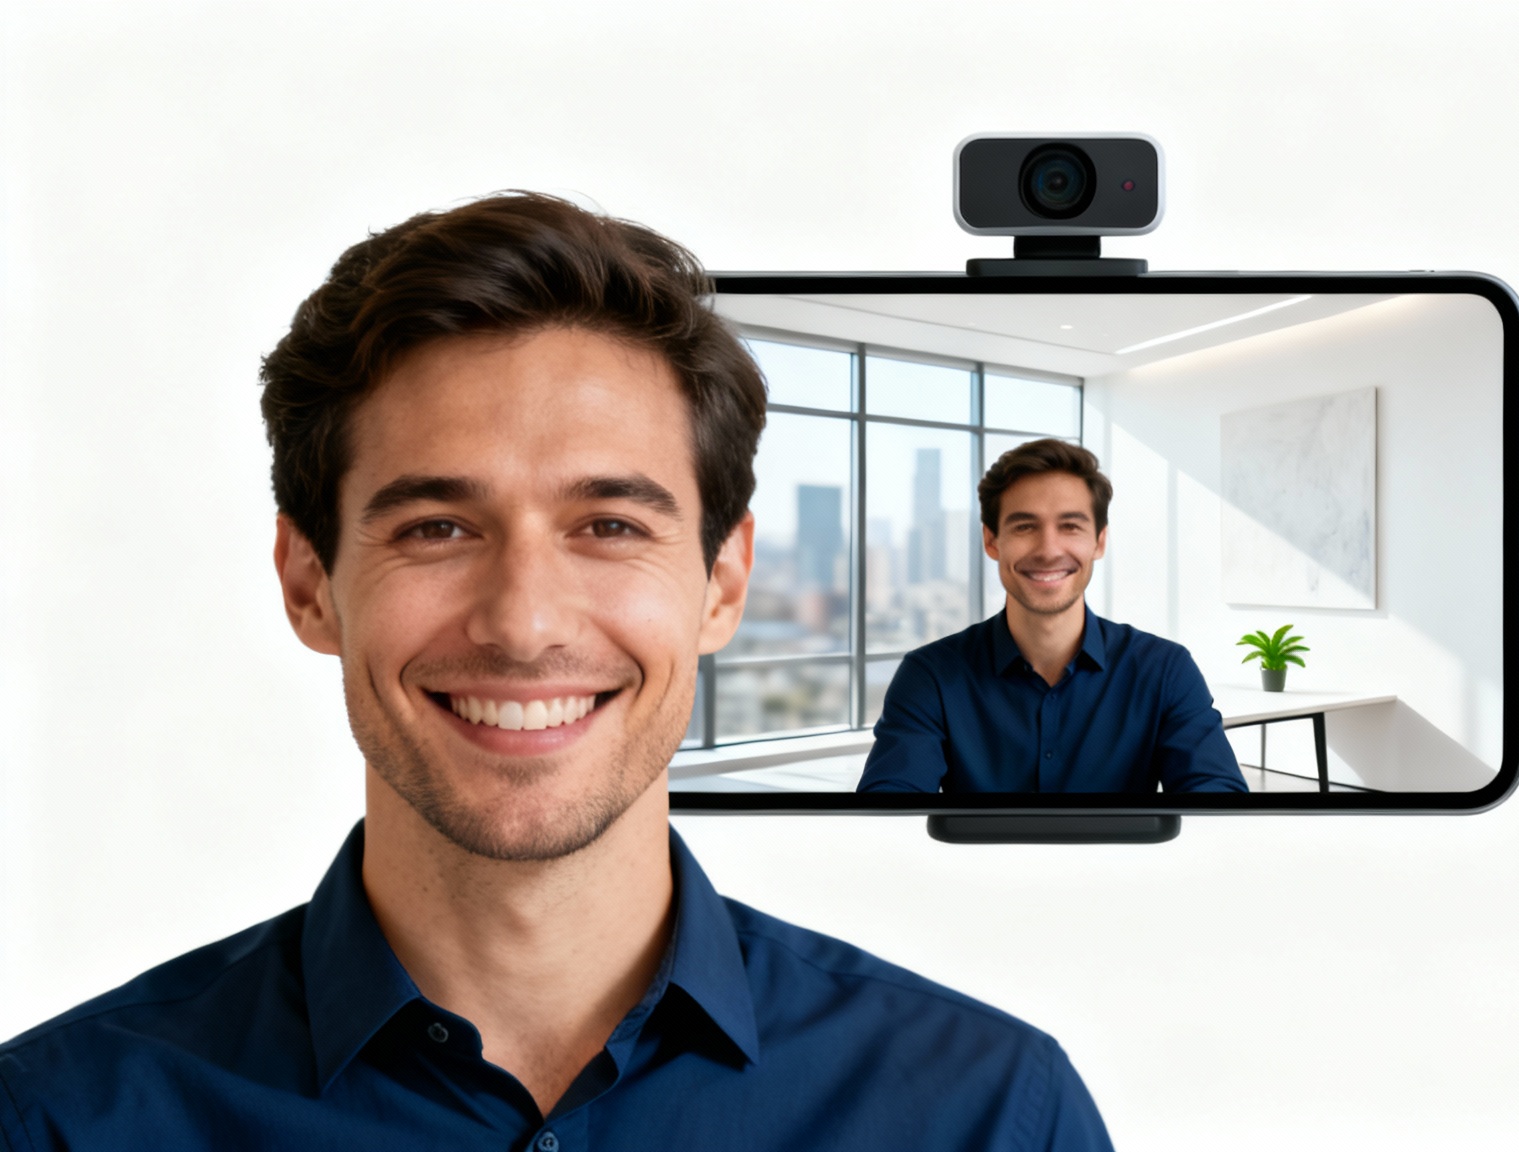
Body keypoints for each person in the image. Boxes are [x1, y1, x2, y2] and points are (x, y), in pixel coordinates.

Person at [0, 194, 1112, 1151]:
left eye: (609, 526)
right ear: (309, 583)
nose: (524, 624)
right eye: (436, 527)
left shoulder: (987, 1113)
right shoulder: (59, 1121)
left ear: (722, 583)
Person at [858, 440, 1247, 794]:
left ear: (1099, 541)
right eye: (1025, 526)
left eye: (1070, 526)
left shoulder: (1164, 669)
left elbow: (1218, 801)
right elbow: (888, 811)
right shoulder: (931, 675)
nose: (1048, 549)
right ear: (992, 541)